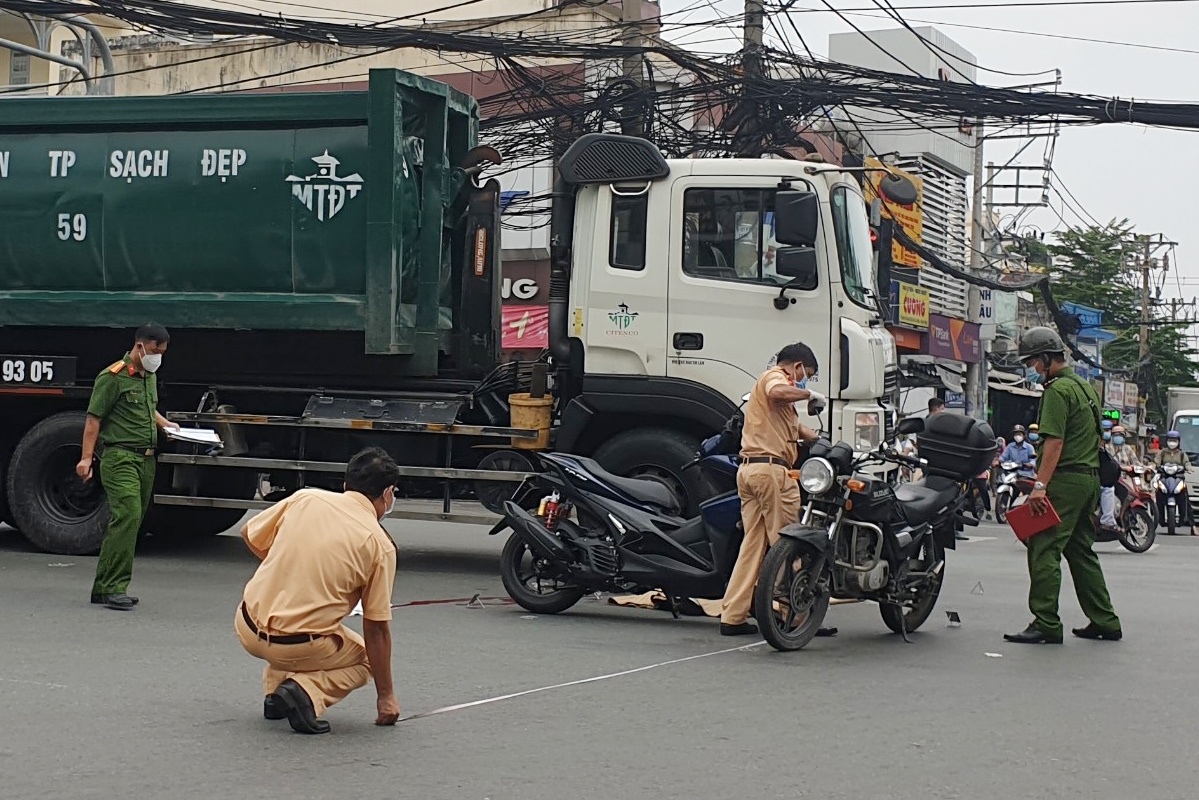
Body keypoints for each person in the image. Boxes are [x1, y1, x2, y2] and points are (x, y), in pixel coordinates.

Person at [235, 447, 401, 734]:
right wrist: (386, 696)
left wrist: (290, 570)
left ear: (346, 484)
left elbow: (250, 534)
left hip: (246, 625)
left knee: (304, 617)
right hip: (298, 644)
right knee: (363, 656)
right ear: (388, 494)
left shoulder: (305, 498)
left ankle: (275, 695)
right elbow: (376, 628)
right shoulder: (379, 544)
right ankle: (306, 691)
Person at [1005, 327, 1122, 644]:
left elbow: (1054, 443)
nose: (1031, 369)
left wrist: (1040, 486)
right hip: (1090, 480)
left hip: (1065, 480)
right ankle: (1105, 619)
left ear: (1045, 359)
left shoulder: (1057, 391)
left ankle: (1045, 622)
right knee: (1080, 550)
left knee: (1043, 548)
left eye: (1032, 363)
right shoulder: (1085, 388)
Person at [720, 343, 826, 637]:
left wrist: (825, 442)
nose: (805, 381)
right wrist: (809, 394)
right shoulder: (774, 378)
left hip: (750, 472)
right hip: (772, 473)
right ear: (796, 367)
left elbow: (803, 432)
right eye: (807, 375)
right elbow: (778, 391)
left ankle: (733, 615)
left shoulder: (783, 409)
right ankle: (791, 615)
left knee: (752, 546)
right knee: (789, 544)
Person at [75, 323, 179, 611]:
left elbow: (148, 408)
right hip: (120, 457)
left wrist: (165, 424)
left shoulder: (148, 376)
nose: (158, 357)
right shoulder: (112, 377)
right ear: (140, 346)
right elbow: (93, 420)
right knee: (128, 515)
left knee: (130, 522)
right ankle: (114, 587)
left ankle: (103, 587)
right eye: (155, 351)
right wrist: (86, 458)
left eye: (163, 352)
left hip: (146, 459)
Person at [1099, 425, 1140, 532]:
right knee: (1109, 491)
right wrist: (1121, 467)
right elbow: (1109, 464)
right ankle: (1108, 520)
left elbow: (1136, 462)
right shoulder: (1107, 448)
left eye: (1120, 435)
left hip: (1126, 479)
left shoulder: (1127, 448)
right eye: (1115, 435)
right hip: (1113, 478)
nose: (1118, 437)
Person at [1155, 430, 1195, 534]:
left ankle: (1191, 524)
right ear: (1166, 441)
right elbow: (1156, 462)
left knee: (1185, 498)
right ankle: (1156, 521)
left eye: (1174, 440)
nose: (1172, 443)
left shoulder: (1182, 454)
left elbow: (1187, 463)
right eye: (1170, 440)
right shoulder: (1162, 452)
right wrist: (1153, 466)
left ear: (1178, 442)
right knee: (1158, 495)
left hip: (1178, 478)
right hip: (1164, 478)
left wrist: (1189, 468)